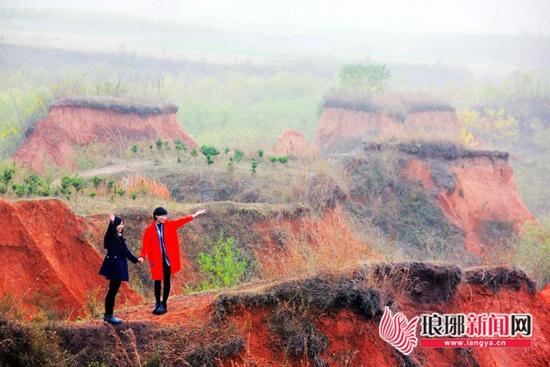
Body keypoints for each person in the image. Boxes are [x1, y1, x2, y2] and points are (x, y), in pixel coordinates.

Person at [139, 207, 206, 315]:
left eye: (166, 215)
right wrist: (142, 256)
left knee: (166, 280)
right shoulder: (149, 229)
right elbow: (145, 244)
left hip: (167, 259)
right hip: (156, 260)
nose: (165, 217)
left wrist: (195, 215)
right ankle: (157, 303)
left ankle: (164, 303)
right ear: (156, 216)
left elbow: (182, 220)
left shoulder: (170, 225)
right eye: (162, 216)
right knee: (157, 281)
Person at [98, 214, 143, 325]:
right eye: (119, 224)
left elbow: (126, 252)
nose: (121, 226)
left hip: (118, 267)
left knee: (112, 291)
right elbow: (109, 233)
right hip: (114, 267)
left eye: (122, 224)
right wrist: (111, 223)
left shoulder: (119, 237)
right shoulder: (111, 237)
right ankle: (108, 316)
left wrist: (136, 260)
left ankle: (109, 315)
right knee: (112, 292)